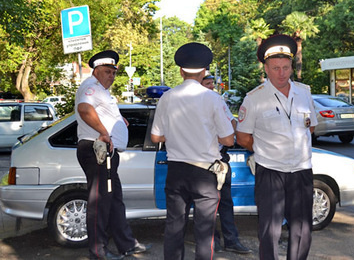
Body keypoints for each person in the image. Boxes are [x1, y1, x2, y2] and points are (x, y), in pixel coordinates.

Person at [235, 34, 318, 260]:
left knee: (302, 229)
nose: (281, 73)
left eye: (285, 67)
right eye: (275, 68)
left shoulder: (304, 92)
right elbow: (242, 137)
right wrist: (265, 149)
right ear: (266, 69)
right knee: (269, 230)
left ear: (291, 66)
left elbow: (310, 128)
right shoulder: (254, 99)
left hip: (301, 170)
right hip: (270, 171)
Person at [150, 42, 235, 260]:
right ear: (204, 71)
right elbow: (228, 139)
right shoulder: (214, 99)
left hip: (176, 170)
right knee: (205, 233)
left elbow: (156, 137)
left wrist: (178, 134)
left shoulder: (167, 98)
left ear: (181, 71)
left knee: (174, 227)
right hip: (204, 173)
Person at [75, 50, 151, 260]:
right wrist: (104, 132)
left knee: (114, 200)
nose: (112, 76)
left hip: (105, 153)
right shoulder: (91, 87)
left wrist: (118, 120)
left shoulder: (100, 90)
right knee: (99, 202)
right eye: (107, 71)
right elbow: (84, 109)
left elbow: (99, 111)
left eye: (114, 72)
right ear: (96, 71)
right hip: (97, 151)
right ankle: (98, 251)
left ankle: (127, 244)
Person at [200, 73, 252, 254]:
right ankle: (213, 243)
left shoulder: (217, 101)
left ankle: (231, 240)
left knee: (226, 203)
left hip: (221, 158)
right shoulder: (196, 104)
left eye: (212, 84)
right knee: (208, 205)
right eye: (207, 84)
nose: (212, 87)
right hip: (204, 159)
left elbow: (232, 122)